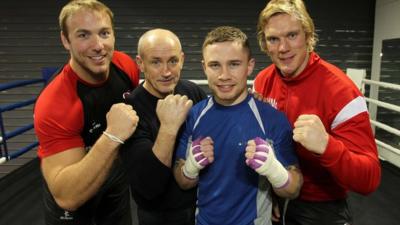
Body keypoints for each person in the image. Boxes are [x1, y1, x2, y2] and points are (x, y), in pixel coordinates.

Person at [253, 0, 382, 224]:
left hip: (321, 207)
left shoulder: (341, 91)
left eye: (292, 35)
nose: (283, 48)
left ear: (308, 36)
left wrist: (327, 146)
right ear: (265, 43)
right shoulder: (263, 81)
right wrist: (270, 191)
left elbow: (369, 179)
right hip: (276, 194)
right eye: (274, 39)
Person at [173, 26, 303, 225]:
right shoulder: (194, 116)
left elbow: (293, 189)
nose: (224, 75)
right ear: (204, 67)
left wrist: (275, 171)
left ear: (249, 66)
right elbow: (183, 183)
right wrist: (190, 168)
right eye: (215, 65)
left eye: (234, 64)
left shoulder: (272, 119)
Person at [33, 1, 140, 224]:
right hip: (76, 182)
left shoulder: (125, 65)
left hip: (114, 174)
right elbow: (67, 196)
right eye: (83, 35)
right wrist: (113, 135)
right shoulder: (55, 103)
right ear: (65, 40)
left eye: (104, 33)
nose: (98, 45)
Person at [120, 28, 207, 225]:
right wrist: (169, 127)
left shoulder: (193, 91)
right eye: (156, 62)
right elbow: (149, 186)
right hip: (159, 215)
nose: (166, 72)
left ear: (182, 59)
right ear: (141, 63)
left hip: (198, 205)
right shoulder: (130, 110)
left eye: (173, 61)